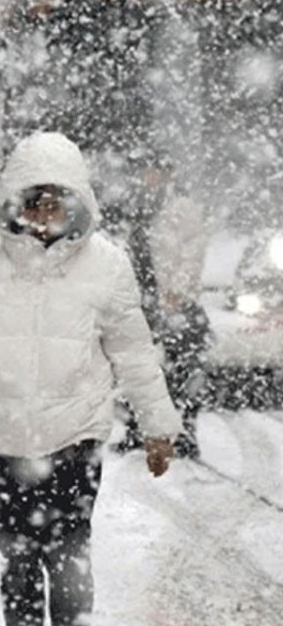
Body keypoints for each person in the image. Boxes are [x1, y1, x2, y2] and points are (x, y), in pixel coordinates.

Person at [0, 132, 179, 626]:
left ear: (77, 203)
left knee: (68, 560)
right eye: (33, 201)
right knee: (18, 563)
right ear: (14, 202)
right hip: (2, 436)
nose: (44, 214)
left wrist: (158, 425)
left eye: (56, 201)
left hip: (76, 434)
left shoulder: (107, 266)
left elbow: (134, 352)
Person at [113, 152, 211, 458]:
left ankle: (185, 433)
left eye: (154, 172)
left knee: (183, 367)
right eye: (145, 173)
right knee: (139, 366)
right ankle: (136, 429)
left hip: (173, 300)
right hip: (142, 298)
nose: (149, 178)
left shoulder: (182, 207)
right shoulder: (136, 206)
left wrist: (178, 291)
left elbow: (193, 250)